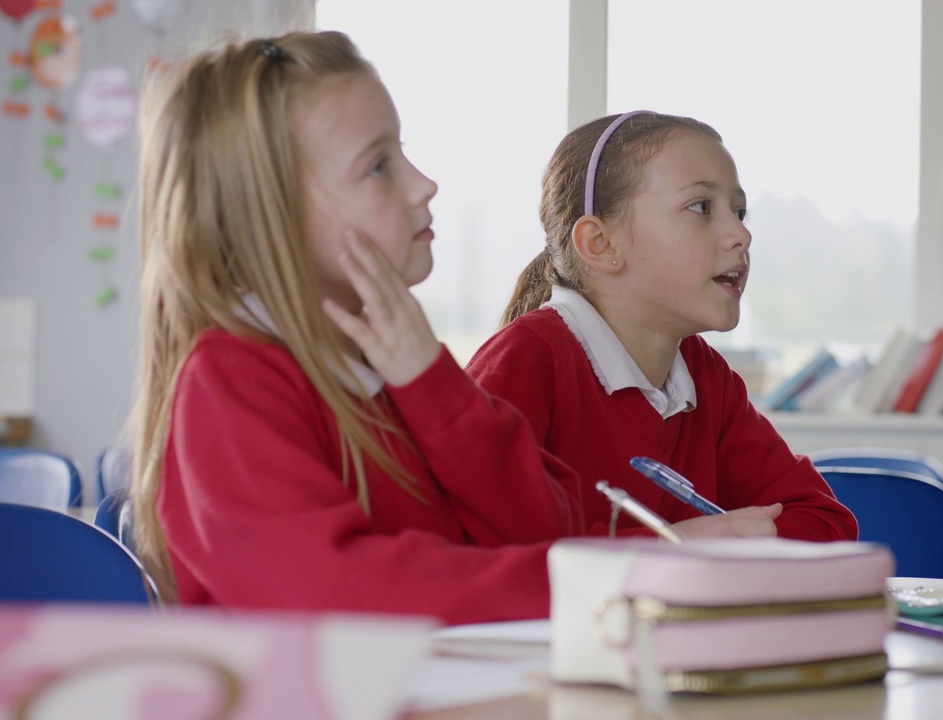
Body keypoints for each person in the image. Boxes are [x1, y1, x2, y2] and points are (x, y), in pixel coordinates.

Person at [127, 31, 584, 626]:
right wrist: (594, 588)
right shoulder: (229, 380)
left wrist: (433, 385)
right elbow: (342, 596)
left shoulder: (394, 364)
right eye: (377, 165)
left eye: (402, 152)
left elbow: (545, 528)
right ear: (270, 219)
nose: (424, 184)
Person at [466, 111, 858, 541]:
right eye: (701, 207)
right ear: (601, 244)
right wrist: (681, 547)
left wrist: (708, 548)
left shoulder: (704, 376)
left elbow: (826, 523)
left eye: (740, 212)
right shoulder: (527, 359)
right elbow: (484, 551)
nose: (740, 236)